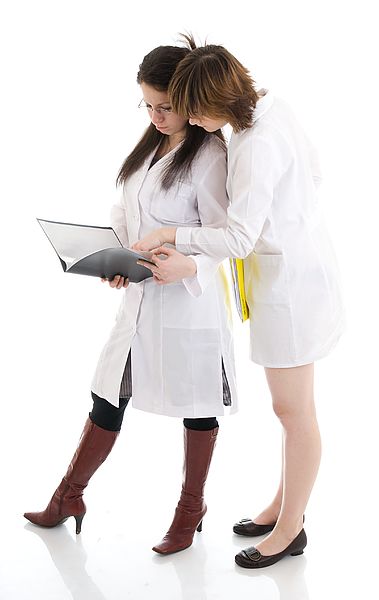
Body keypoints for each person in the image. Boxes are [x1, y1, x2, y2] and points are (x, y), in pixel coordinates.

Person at [133, 40, 345, 568]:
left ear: (214, 100)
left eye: (194, 110)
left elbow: (238, 240)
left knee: (293, 411)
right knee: (290, 408)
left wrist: (171, 234)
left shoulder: (253, 146)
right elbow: (314, 174)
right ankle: (281, 506)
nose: (195, 123)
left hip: (291, 286)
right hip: (296, 269)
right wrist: (289, 218)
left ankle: (290, 530)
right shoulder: (272, 106)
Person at [24, 38, 237, 556]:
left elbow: (227, 234)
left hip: (188, 301)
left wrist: (187, 265)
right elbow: (128, 212)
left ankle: (191, 510)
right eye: (147, 104)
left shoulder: (209, 154)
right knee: (107, 396)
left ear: (190, 97)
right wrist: (114, 258)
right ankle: (68, 496)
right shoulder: (149, 145)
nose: (156, 115)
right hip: (139, 298)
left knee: (198, 406)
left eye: (166, 106)